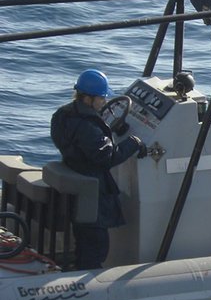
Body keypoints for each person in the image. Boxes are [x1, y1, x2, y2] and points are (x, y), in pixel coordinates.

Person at [50, 69, 147, 270]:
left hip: (75, 178)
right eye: (101, 98)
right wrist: (133, 143)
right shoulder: (88, 127)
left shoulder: (62, 115)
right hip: (93, 190)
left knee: (83, 241)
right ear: (88, 98)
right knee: (96, 246)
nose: (103, 102)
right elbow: (107, 157)